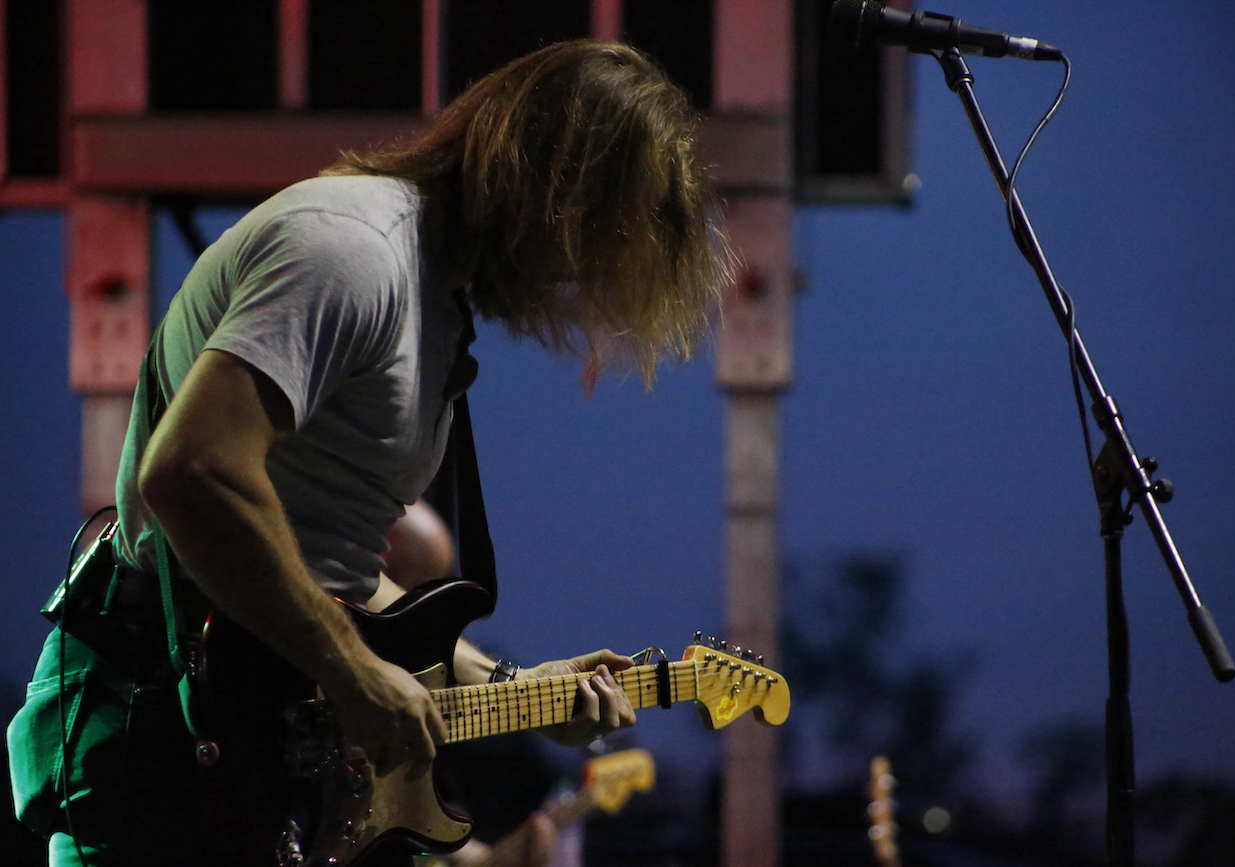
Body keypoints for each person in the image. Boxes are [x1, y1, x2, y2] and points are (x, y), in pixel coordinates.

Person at [7, 39, 731, 867]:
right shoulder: (352, 251)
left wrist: (508, 688)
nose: (587, 271)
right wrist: (348, 667)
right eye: (602, 234)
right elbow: (191, 470)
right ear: (553, 189)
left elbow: (328, 565)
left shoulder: (430, 303)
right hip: (168, 729)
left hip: (245, 735)